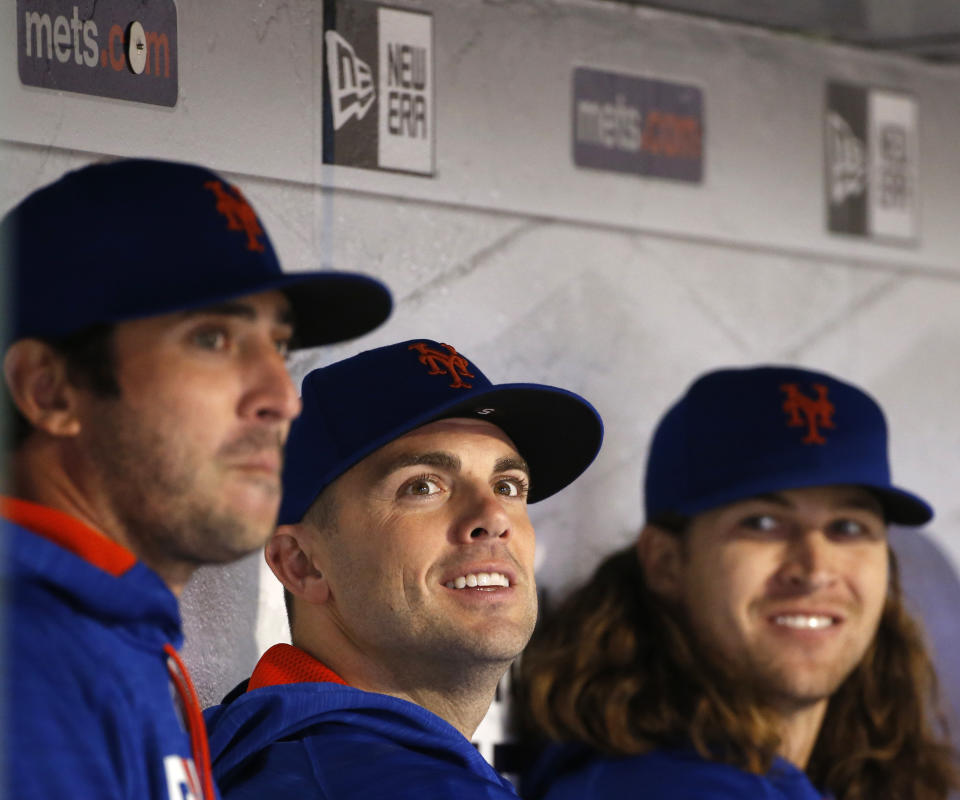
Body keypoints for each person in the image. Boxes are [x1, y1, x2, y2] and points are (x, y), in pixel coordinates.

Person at [0, 158, 392, 800]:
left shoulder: (105, 636)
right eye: (212, 338)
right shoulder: (29, 666)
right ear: (51, 390)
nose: (281, 396)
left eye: (279, 347)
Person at [516, 365, 958, 800]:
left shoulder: (840, 773)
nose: (815, 569)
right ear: (666, 562)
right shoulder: (661, 788)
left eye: (848, 526)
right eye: (763, 523)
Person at [203, 338, 604, 799]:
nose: (493, 518)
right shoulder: (380, 784)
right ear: (302, 564)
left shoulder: (305, 759)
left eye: (508, 486)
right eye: (423, 486)